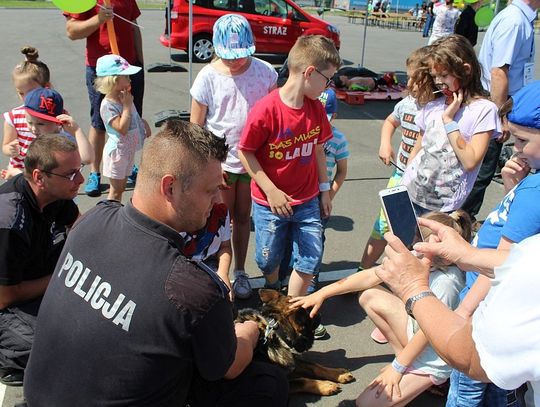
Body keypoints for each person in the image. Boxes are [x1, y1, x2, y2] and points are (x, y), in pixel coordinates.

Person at [23, 120, 289, 406]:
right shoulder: (192, 290)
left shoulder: (92, 220)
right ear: (170, 187)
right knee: (269, 383)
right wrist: (250, 332)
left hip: (39, 395)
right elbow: (229, 366)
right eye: (210, 190)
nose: (217, 199)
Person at [290, 211, 472, 407]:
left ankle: (428, 377)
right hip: (418, 331)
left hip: (432, 355)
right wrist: (322, 293)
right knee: (369, 294)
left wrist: (397, 367)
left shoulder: (447, 283)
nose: (412, 239)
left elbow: (427, 334)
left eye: (418, 236)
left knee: (365, 404)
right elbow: (369, 276)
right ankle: (406, 363)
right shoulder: (418, 256)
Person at [443, 80, 540, 406]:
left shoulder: (534, 194)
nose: (515, 147)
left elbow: (504, 265)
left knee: (466, 394)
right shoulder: (530, 185)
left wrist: (464, 312)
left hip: (484, 313)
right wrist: (513, 186)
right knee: (501, 392)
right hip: (508, 320)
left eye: (524, 140)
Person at [374, 220, 540, 406]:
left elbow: (472, 359)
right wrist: (469, 255)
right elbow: (521, 262)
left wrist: (413, 288)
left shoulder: (447, 283)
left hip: (460, 353)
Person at [238, 35, 340, 298]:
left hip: (307, 201)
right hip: (269, 203)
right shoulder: (265, 110)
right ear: (309, 72)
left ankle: (289, 309)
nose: (328, 86)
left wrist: (325, 189)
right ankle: (273, 288)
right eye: (327, 79)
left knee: (309, 260)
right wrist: (270, 190)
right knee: (267, 260)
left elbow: (318, 149)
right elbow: (245, 152)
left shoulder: (316, 109)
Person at [190, 14, 277, 300]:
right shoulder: (208, 77)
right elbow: (196, 127)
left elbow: (275, 116)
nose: (235, 62)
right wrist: (209, 166)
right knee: (218, 219)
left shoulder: (265, 73)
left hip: (255, 164)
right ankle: (213, 271)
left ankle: (239, 269)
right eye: (229, 56)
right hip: (222, 164)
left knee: (243, 217)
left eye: (240, 56)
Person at [0, 134, 82, 386]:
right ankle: (7, 359)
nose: (80, 179)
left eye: (80, 170)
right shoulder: (9, 220)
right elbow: (4, 296)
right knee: (54, 347)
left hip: (34, 275)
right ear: (39, 177)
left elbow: (80, 226)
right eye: (70, 174)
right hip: (7, 297)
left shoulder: (55, 195)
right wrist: (63, 276)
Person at [401, 35, 500, 216]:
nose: (438, 81)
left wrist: (449, 121)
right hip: (410, 192)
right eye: (434, 75)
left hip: (443, 208)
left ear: (466, 70)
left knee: (427, 244)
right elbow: (417, 149)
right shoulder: (433, 105)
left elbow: (470, 161)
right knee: (396, 242)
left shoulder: (484, 110)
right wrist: (402, 183)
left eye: (444, 75)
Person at [460, 0, 539, 219]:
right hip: (496, 101)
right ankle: (460, 223)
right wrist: (500, 116)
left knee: (483, 169)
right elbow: (498, 73)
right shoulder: (514, 21)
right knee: (482, 172)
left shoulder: (520, 19)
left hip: (500, 100)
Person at [360, 46, 432, 271]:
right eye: (408, 77)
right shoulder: (407, 104)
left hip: (423, 181)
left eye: (414, 79)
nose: (409, 84)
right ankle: (363, 269)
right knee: (383, 225)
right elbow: (391, 121)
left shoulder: (435, 110)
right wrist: (385, 144)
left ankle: (405, 270)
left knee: (413, 230)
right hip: (400, 174)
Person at [65, 0, 145, 197]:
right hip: (102, 72)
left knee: (131, 116)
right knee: (100, 123)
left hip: (129, 68)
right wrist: (98, 19)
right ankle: (95, 172)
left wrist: (140, 62)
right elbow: (72, 31)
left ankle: (127, 164)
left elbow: (134, 27)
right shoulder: (87, 2)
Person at [94, 54, 150, 202]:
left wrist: (142, 123)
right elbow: (122, 128)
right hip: (117, 153)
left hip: (127, 151)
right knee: (116, 191)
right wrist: (126, 106)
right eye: (126, 76)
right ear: (115, 80)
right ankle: (110, 214)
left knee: (122, 188)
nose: (130, 79)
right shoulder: (108, 105)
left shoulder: (124, 96)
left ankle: (115, 212)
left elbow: (133, 116)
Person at [2, 46, 51, 180]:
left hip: (46, 171)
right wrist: (10, 149)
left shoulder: (54, 114)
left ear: (47, 87)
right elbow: (6, 145)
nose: (25, 97)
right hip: (20, 171)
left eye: (30, 92)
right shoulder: (14, 117)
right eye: (20, 93)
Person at [23, 88, 93, 166]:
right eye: (30, 123)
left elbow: (87, 159)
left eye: (40, 124)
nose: (34, 129)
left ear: (57, 122)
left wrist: (76, 131)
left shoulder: (64, 140)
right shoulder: (29, 138)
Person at [180, 202, 234, 301]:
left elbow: (225, 247)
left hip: (209, 263)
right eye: (208, 191)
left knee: (223, 299)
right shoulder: (175, 218)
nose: (215, 197)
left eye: (217, 190)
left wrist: (223, 273)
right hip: (180, 266)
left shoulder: (220, 213)